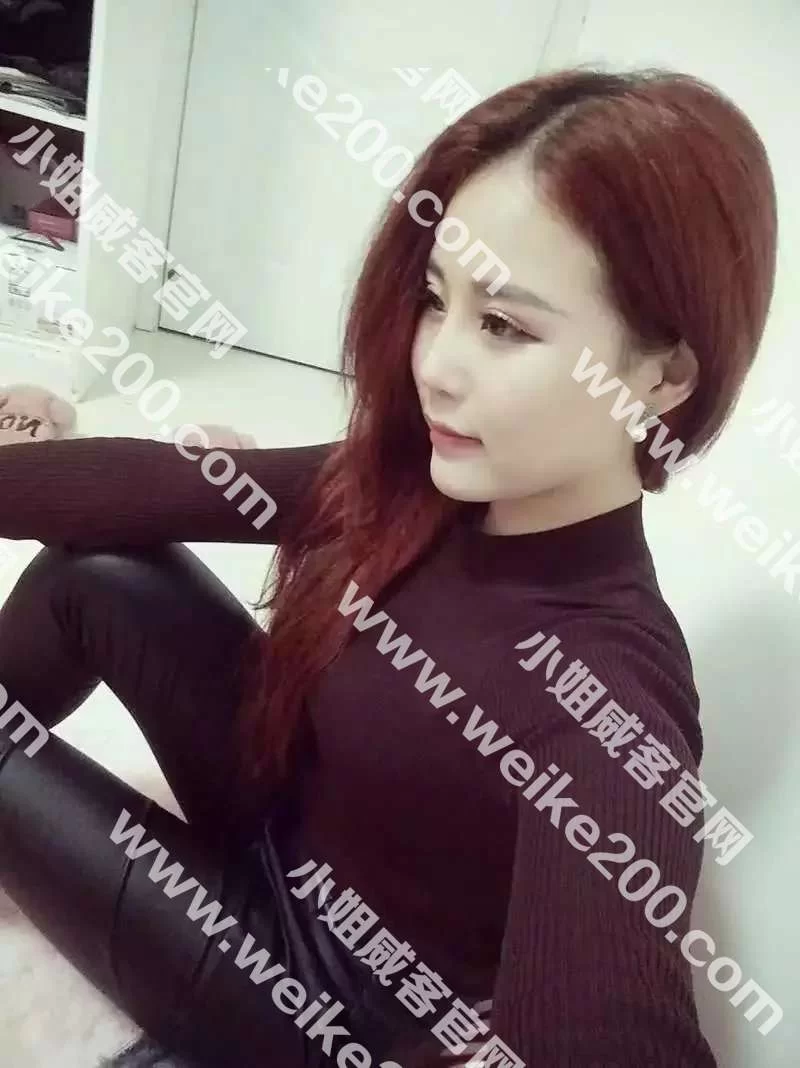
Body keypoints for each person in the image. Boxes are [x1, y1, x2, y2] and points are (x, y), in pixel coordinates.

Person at [0, 65, 777, 1067]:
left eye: (504, 325)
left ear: (664, 374)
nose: (435, 364)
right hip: (280, 821)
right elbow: (170, 485)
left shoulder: (606, 684)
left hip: (317, 995)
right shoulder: (433, 489)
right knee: (96, 574)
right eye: (436, 301)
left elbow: (608, 1031)